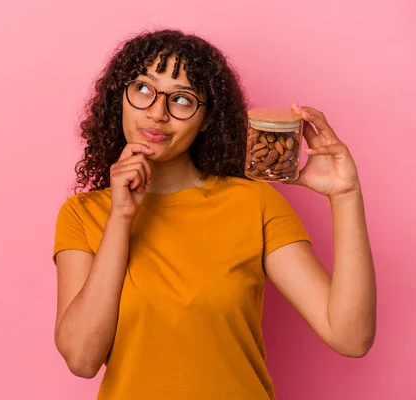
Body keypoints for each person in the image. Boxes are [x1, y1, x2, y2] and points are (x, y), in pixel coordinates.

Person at [51, 29, 376, 399]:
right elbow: (81, 358)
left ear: (206, 119)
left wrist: (345, 194)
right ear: (119, 98)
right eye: (143, 89)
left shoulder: (253, 203)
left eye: (183, 100)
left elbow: (350, 336)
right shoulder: (82, 215)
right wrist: (121, 218)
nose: (157, 114)